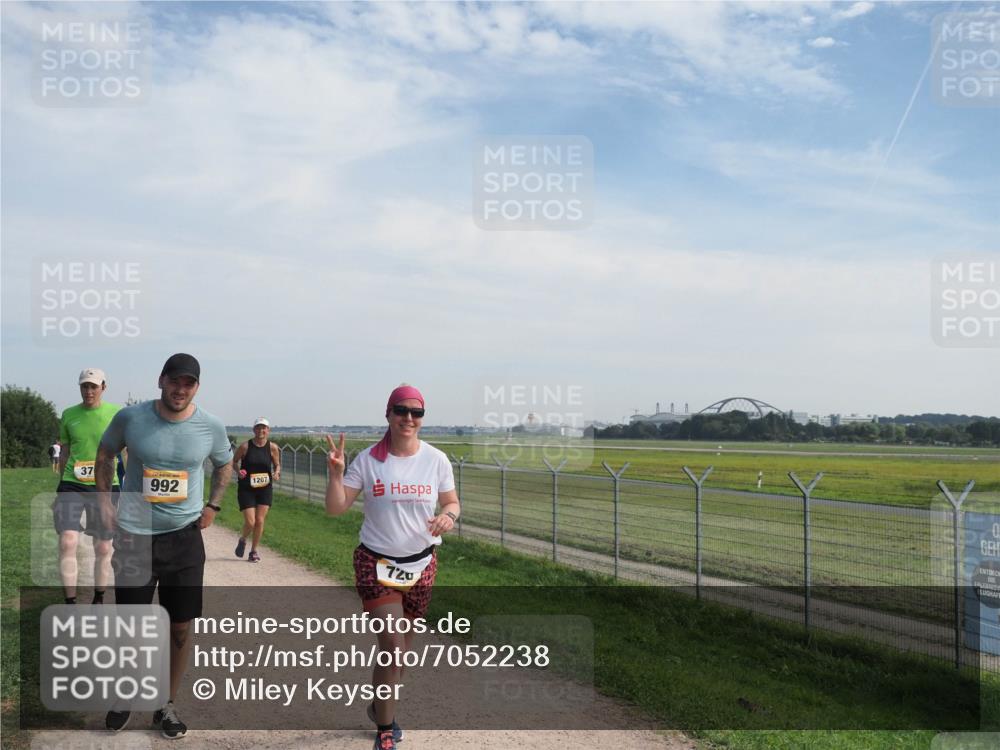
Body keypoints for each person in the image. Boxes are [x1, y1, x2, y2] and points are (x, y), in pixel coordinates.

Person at [95, 353, 233, 739]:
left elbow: (224, 463)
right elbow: (105, 453)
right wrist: (104, 503)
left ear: (197, 388)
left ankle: (165, 704)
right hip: (135, 535)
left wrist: (214, 505)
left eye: (188, 383)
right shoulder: (132, 418)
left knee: (180, 628)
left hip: (185, 539)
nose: (180, 389)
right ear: (161, 380)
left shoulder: (210, 426)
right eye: (175, 381)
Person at [324, 384, 460, 750]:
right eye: (401, 410)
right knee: (393, 647)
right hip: (376, 563)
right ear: (388, 414)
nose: (409, 418)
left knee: (401, 656)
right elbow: (336, 508)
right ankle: (385, 727)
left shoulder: (436, 460)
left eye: (417, 413)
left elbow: (452, 502)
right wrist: (336, 474)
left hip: (422, 565)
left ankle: (379, 706)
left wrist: (448, 517)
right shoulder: (369, 460)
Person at [52, 368, 121, 605]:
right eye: (84, 386)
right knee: (67, 540)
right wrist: (61, 485)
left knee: (103, 547)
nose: (89, 391)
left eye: (93, 386)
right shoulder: (69, 414)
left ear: (103, 387)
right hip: (73, 483)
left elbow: (125, 451)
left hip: (105, 485)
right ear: (80, 388)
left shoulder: (117, 413)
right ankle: (70, 603)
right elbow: (66, 452)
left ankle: (98, 598)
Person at [232, 417, 281, 562]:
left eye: (264, 428)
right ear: (254, 430)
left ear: (268, 430)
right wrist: (238, 471)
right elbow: (234, 462)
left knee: (260, 521)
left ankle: (253, 551)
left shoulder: (272, 447)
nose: (261, 430)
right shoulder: (245, 446)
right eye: (258, 428)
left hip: (265, 488)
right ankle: (243, 539)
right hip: (247, 488)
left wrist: (277, 472)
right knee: (251, 522)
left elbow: (277, 464)